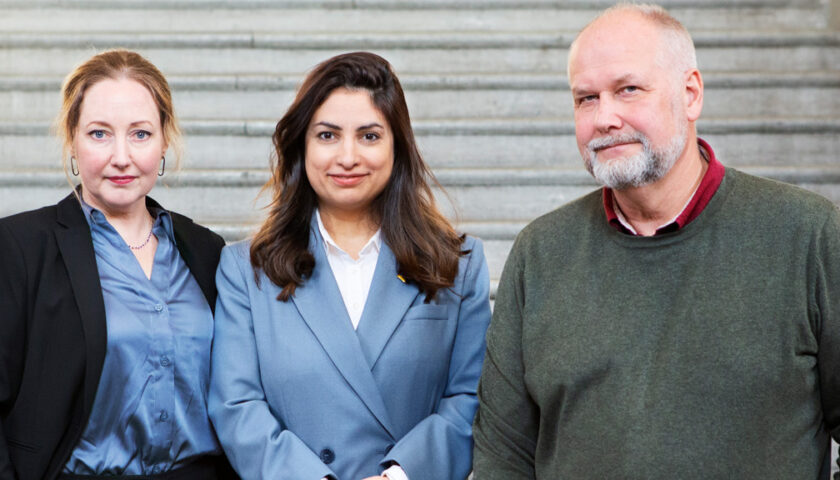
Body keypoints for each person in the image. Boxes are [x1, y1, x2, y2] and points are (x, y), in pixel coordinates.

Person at [472, 3, 840, 479]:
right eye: (586, 98)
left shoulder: (808, 234)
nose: (605, 118)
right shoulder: (540, 253)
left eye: (628, 89)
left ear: (690, 94)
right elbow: (503, 455)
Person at [208, 51, 491, 480]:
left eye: (369, 136)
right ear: (302, 146)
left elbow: (471, 398)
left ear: (398, 146)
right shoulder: (246, 270)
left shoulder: (456, 265)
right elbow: (236, 405)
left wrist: (400, 475)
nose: (347, 157)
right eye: (327, 135)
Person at [0, 49, 236, 479]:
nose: (122, 156)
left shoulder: (206, 250)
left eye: (141, 134)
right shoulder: (18, 248)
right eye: (99, 133)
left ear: (165, 139)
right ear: (72, 138)